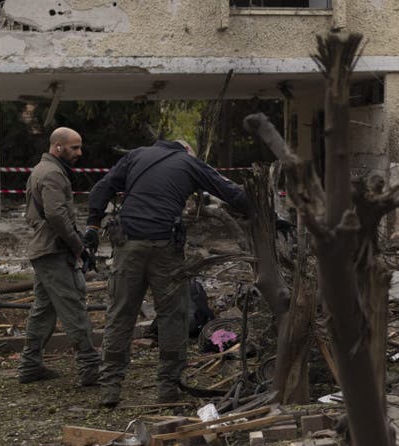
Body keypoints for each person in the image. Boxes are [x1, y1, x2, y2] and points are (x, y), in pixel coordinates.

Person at [86, 139, 251, 407]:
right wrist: (265, 212)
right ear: (186, 151)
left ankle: (110, 389)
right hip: (166, 248)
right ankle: (168, 389)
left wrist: (92, 226)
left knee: (120, 315)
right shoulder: (190, 162)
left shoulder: (136, 154)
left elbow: (101, 189)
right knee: (172, 317)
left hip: (127, 245)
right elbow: (231, 193)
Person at [18, 127, 100, 386]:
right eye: (74, 147)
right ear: (58, 147)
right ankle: (90, 367)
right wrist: (79, 247)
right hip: (53, 252)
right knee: (74, 307)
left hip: (45, 251)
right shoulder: (53, 173)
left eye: (79, 147)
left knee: (43, 311)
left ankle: (30, 366)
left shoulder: (43, 170)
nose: (79, 152)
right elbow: (56, 215)